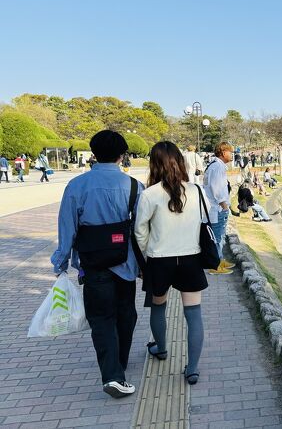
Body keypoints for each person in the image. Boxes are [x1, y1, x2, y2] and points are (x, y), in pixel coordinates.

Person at [51, 130, 144, 398]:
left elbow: (67, 227)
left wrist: (61, 261)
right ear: (122, 155)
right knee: (126, 314)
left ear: (93, 153)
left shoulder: (76, 186)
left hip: (92, 265)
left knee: (101, 318)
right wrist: (144, 264)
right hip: (124, 263)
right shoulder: (134, 187)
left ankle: (113, 372)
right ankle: (118, 367)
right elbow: (141, 231)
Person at [134, 141, 208, 385]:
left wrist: (147, 255)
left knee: (158, 306)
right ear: (180, 161)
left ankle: (161, 349)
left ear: (154, 164)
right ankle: (193, 368)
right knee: (193, 314)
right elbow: (206, 219)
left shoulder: (149, 194)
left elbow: (139, 231)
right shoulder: (196, 190)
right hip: (191, 258)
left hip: (159, 261)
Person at [204, 142, 236, 275]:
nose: (232, 155)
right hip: (216, 208)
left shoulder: (216, 165)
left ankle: (220, 260)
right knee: (216, 237)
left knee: (219, 235)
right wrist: (223, 204)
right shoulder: (217, 166)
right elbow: (216, 187)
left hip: (215, 207)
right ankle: (215, 266)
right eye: (230, 152)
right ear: (223, 152)